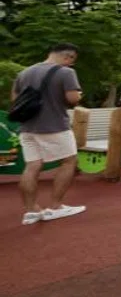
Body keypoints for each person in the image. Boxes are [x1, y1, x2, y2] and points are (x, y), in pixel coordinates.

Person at [13, 43, 86, 225]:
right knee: (69, 161)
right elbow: (72, 99)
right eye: (72, 61)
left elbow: (15, 100)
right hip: (54, 126)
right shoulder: (66, 73)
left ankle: (31, 211)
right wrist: (78, 95)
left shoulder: (24, 73)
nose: (71, 64)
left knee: (32, 166)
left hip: (27, 128)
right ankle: (55, 207)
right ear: (68, 57)